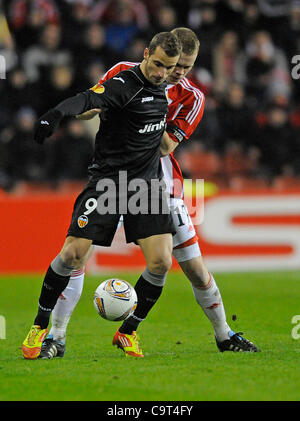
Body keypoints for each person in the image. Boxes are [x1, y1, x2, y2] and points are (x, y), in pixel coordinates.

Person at [39, 28, 260, 360]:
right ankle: (56, 337)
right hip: (114, 175)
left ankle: (223, 334)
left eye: (186, 67)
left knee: (191, 268)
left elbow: (166, 145)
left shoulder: (192, 97)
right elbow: (95, 104)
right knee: (77, 255)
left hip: (160, 186)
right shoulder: (123, 73)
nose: (178, 74)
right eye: (175, 67)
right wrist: (89, 106)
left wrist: (138, 110)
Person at [22, 31, 182, 359]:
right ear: (146, 53)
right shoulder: (126, 84)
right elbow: (87, 99)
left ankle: (128, 331)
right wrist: (56, 113)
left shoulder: (165, 88)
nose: (161, 73)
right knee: (72, 254)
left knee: (162, 261)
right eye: (157, 64)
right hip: (109, 182)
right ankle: (40, 324)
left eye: (169, 67)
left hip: (146, 185)